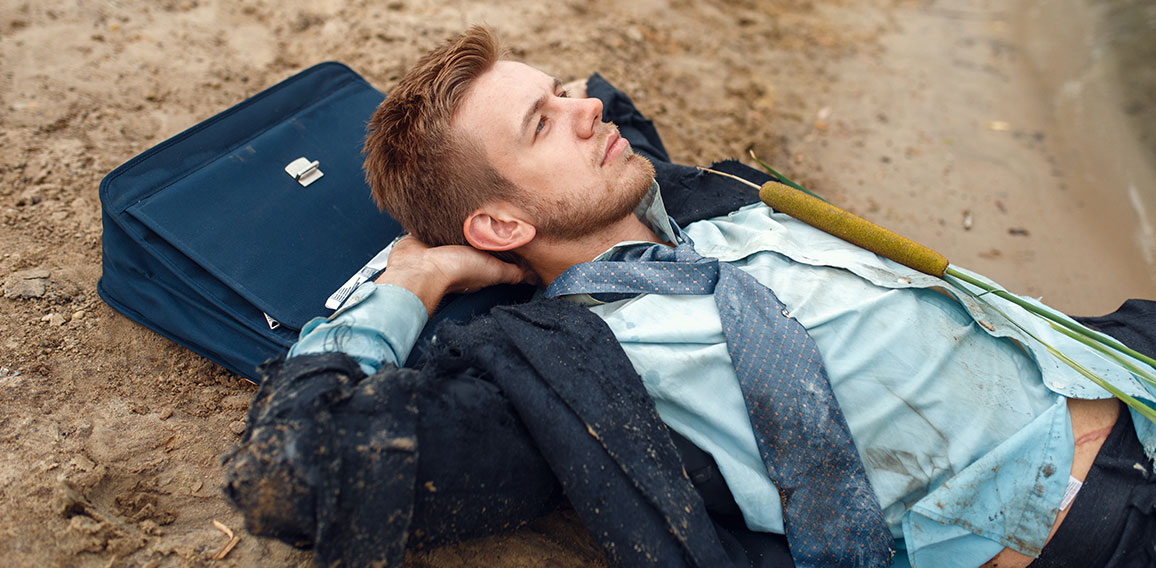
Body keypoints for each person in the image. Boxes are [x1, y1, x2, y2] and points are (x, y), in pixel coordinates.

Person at [233, 26, 1156, 568]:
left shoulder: (696, 198)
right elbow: (299, 470)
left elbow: (614, 106)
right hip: (1093, 529)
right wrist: (413, 276)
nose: (583, 108)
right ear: (502, 226)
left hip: (1118, 360)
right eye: (541, 121)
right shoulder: (562, 374)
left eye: (559, 88)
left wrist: (549, 115)